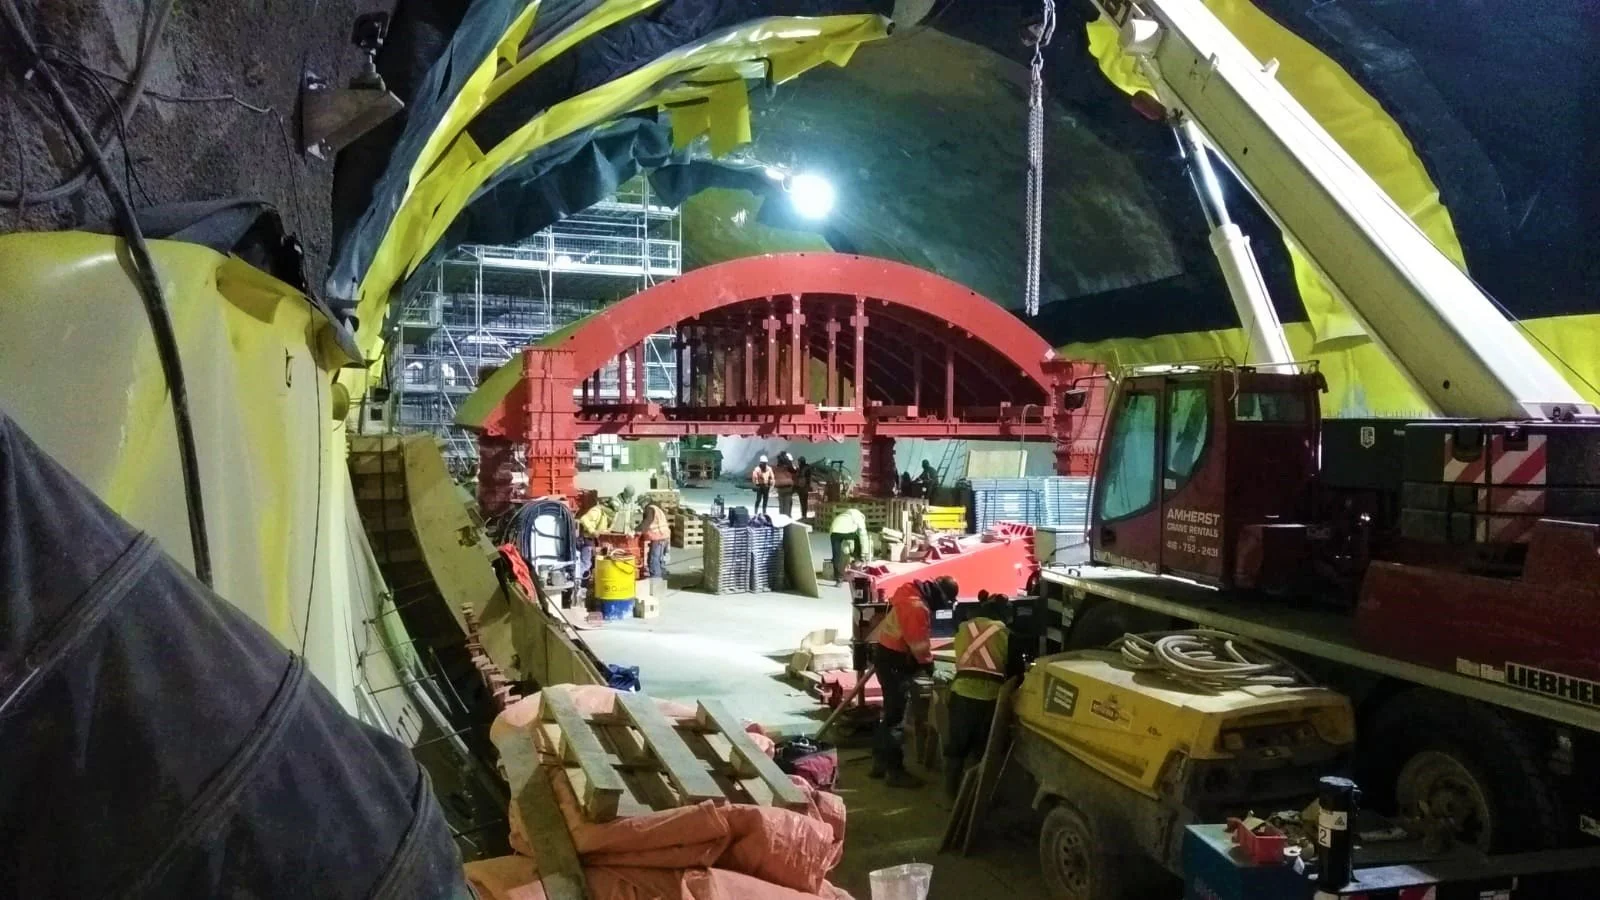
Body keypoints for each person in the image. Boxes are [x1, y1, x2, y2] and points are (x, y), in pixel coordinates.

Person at [869, 575, 956, 788]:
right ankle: (894, 772)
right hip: (895, 661)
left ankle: (880, 763)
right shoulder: (918, 608)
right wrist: (930, 668)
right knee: (895, 719)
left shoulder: (909, 592)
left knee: (889, 714)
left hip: (886, 654)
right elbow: (919, 646)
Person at [944, 593, 1011, 797]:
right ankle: (975, 795)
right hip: (990, 697)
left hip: (961, 692)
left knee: (957, 746)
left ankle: (952, 793)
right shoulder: (1004, 632)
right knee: (982, 748)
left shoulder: (964, 627)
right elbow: (1013, 668)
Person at [576, 497, 615, 585]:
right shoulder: (596, 511)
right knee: (586, 564)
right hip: (587, 540)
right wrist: (592, 531)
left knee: (590, 563)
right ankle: (578, 584)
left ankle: (584, 584)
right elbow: (583, 519)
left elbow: (601, 527)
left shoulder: (603, 513)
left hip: (592, 540)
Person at [829, 506, 871, 583]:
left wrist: (846, 551)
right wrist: (865, 552)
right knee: (858, 537)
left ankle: (838, 579)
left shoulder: (845, 515)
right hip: (843, 532)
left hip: (833, 531)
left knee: (836, 555)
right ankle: (858, 558)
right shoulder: (858, 516)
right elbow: (863, 534)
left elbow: (845, 540)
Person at [639, 498, 670, 579]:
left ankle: (656, 580)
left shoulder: (650, 509)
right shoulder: (657, 508)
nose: (640, 506)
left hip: (658, 537)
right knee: (659, 559)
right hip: (664, 536)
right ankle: (662, 577)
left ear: (645, 502)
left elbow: (647, 522)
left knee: (654, 559)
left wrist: (636, 530)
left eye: (640, 504)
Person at [774, 452, 797, 517]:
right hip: (788, 489)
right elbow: (795, 472)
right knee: (787, 506)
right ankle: (787, 521)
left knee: (781, 506)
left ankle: (782, 519)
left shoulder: (777, 468)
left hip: (780, 489)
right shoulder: (789, 468)